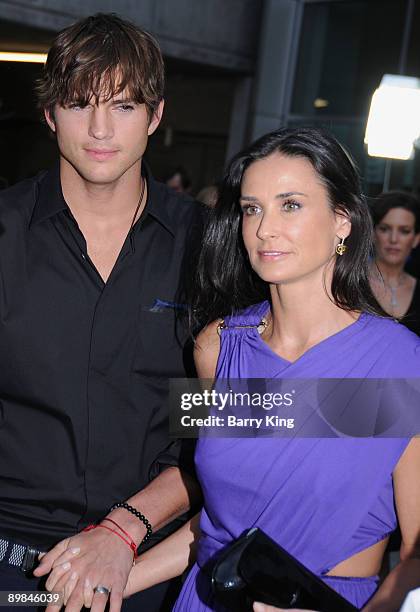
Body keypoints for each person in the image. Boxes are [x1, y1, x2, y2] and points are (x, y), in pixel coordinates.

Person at [93, 127, 418, 611]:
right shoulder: (214, 347)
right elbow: (212, 518)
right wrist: (105, 582)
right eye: (252, 208)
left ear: (342, 220)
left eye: (290, 205)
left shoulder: (399, 362)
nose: (265, 229)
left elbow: (414, 552)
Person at [0, 13, 201, 612]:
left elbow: (227, 418)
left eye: (124, 106)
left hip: (149, 553)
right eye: (79, 103)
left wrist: (126, 527)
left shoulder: (209, 247)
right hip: (12, 552)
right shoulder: (5, 233)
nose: (99, 128)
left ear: (156, 116)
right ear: (48, 114)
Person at [370, 191, 420, 335]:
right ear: (373, 233)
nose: (393, 239)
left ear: (416, 238)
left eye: (404, 231)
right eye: (385, 229)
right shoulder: (350, 285)